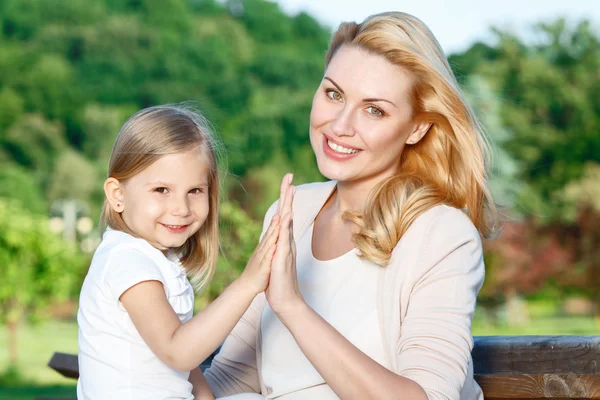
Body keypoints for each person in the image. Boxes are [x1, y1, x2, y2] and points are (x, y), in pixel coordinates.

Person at [205, 11, 498, 400]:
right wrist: (152, 346)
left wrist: (293, 307)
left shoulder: (441, 236)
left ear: (417, 127)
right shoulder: (292, 211)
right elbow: (232, 380)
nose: (340, 125)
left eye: (374, 109)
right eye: (334, 94)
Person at [77, 105, 290, 400]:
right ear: (118, 195)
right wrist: (248, 284)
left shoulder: (157, 259)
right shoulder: (127, 262)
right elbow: (179, 352)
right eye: (161, 190)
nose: (181, 208)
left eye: (195, 191)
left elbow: (185, 367)